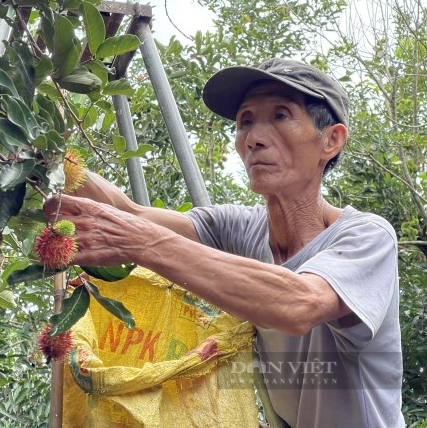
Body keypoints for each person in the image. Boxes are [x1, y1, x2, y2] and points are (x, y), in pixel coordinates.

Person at [44, 58, 404, 427]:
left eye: (281, 116)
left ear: (331, 140)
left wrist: (143, 244)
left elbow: (300, 303)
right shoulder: (240, 228)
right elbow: (130, 213)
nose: (254, 137)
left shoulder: (366, 237)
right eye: (245, 121)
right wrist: (45, 154)